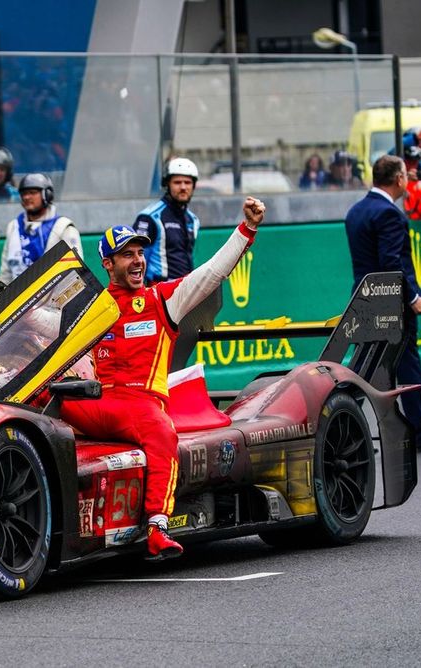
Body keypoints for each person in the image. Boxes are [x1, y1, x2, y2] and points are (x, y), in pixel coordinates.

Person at [60, 198, 265, 560]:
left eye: (140, 253)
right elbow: (39, 334)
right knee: (45, 396)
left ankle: (157, 526)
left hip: (142, 407)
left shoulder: (161, 300)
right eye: (128, 255)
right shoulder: (89, 308)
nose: (138, 260)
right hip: (96, 404)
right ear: (108, 264)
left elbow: (211, 274)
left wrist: (246, 230)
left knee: (161, 430)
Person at [344, 155, 421, 451]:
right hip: (392, 305)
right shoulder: (390, 214)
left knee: (363, 371)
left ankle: (346, 434)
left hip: (362, 300)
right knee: (408, 367)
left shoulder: (355, 212)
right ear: (399, 179)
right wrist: (414, 297)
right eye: (406, 174)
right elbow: (392, 263)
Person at [0, 173, 82, 282]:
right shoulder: (13, 227)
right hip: (17, 297)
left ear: (47, 194)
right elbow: (6, 273)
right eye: (24, 193)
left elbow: (76, 270)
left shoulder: (64, 227)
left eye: (32, 193)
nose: (27, 197)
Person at [133, 157, 201, 284]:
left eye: (187, 182)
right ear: (167, 184)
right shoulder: (149, 217)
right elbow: (136, 260)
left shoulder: (193, 219)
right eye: (177, 182)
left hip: (186, 289)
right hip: (159, 289)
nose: (183, 187)